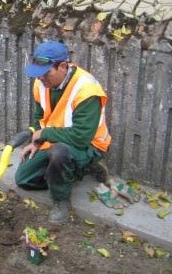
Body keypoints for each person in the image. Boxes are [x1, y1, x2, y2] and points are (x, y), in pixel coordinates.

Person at [15, 41, 111, 224]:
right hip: (57, 141)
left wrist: (44, 135)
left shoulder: (86, 89)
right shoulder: (41, 83)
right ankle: (75, 171)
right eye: (38, 74)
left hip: (89, 145)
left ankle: (61, 200)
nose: (41, 78)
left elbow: (81, 136)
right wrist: (36, 142)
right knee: (23, 178)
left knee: (59, 154)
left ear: (63, 66)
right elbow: (40, 117)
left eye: (46, 73)